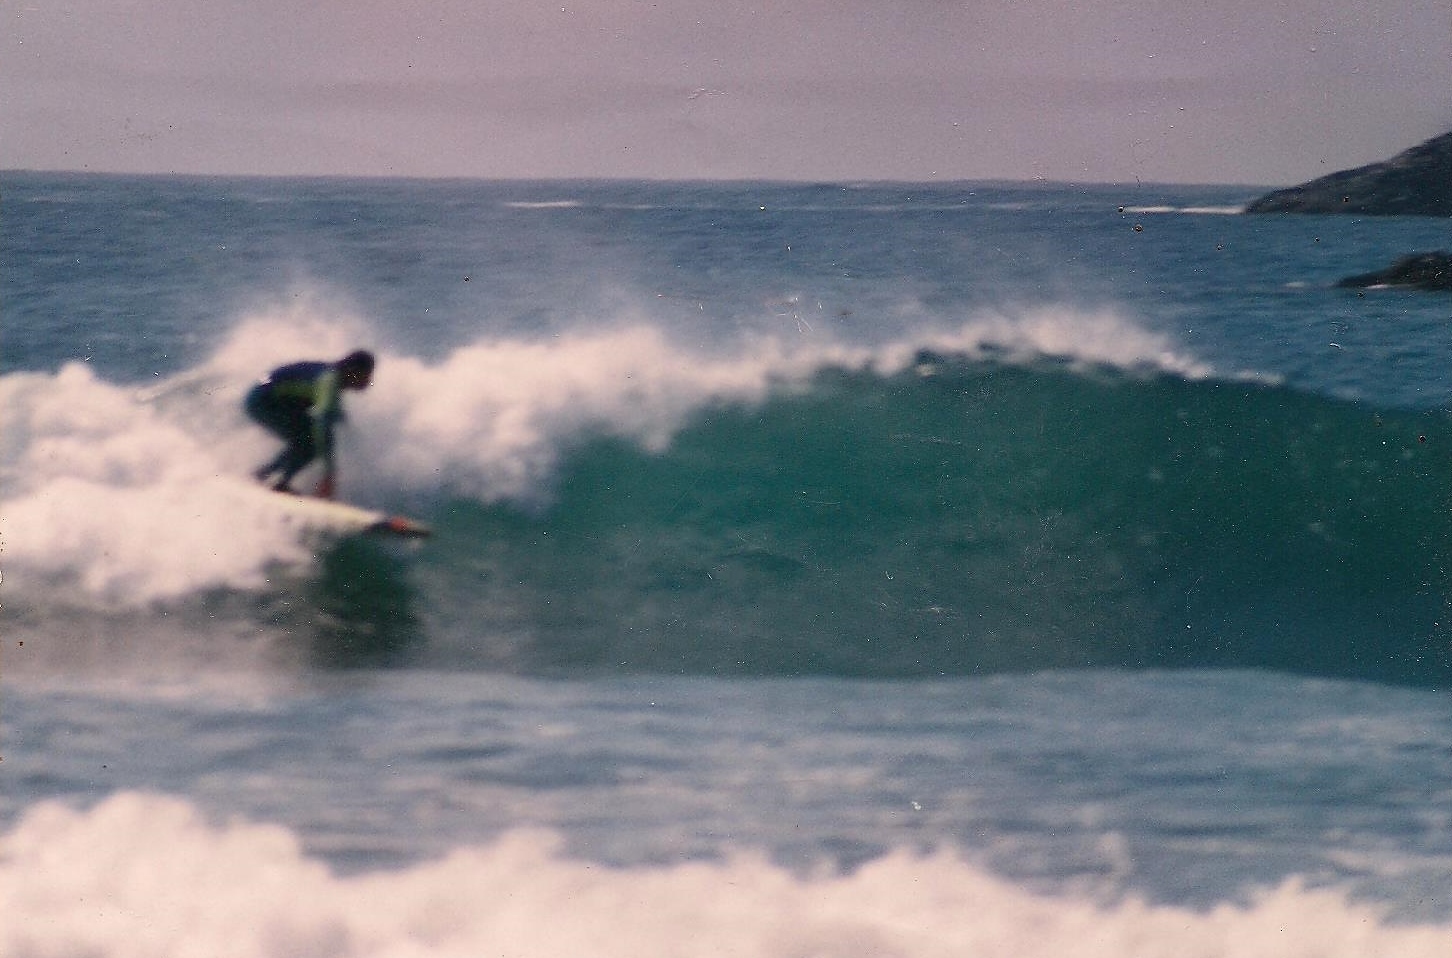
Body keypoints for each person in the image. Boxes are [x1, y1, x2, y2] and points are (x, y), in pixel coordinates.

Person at [245, 349, 374, 498]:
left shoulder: (332, 377)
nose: (368, 381)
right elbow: (323, 425)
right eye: (366, 375)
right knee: (309, 443)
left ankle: (264, 476)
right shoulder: (329, 381)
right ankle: (274, 481)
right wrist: (329, 474)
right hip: (263, 400)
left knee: (307, 441)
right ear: (353, 371)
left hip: (271, 398)